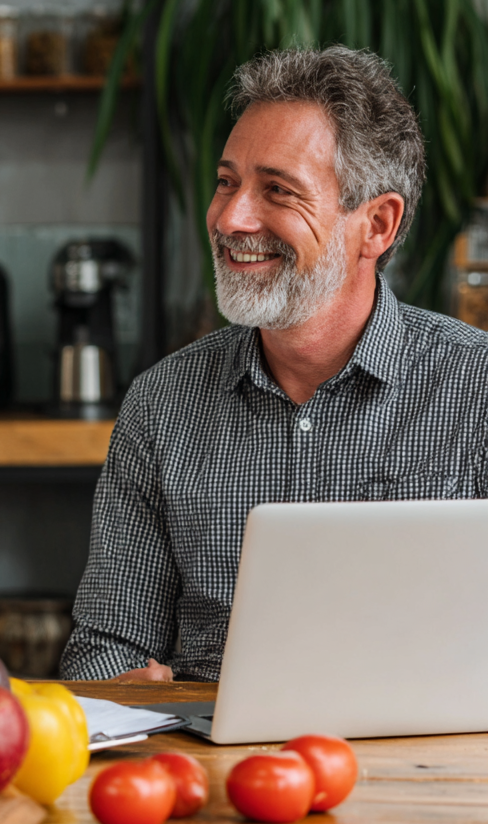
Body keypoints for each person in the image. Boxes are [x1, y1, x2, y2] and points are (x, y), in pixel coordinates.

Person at [60, 45, 488, 684]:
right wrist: (120, 688)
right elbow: (104, 646)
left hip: (427, 744)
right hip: (206, 742)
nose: (231, 218)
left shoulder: (476, 388)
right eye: (226, 182)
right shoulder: (161, 402)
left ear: (377, 224)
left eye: (278, 191)